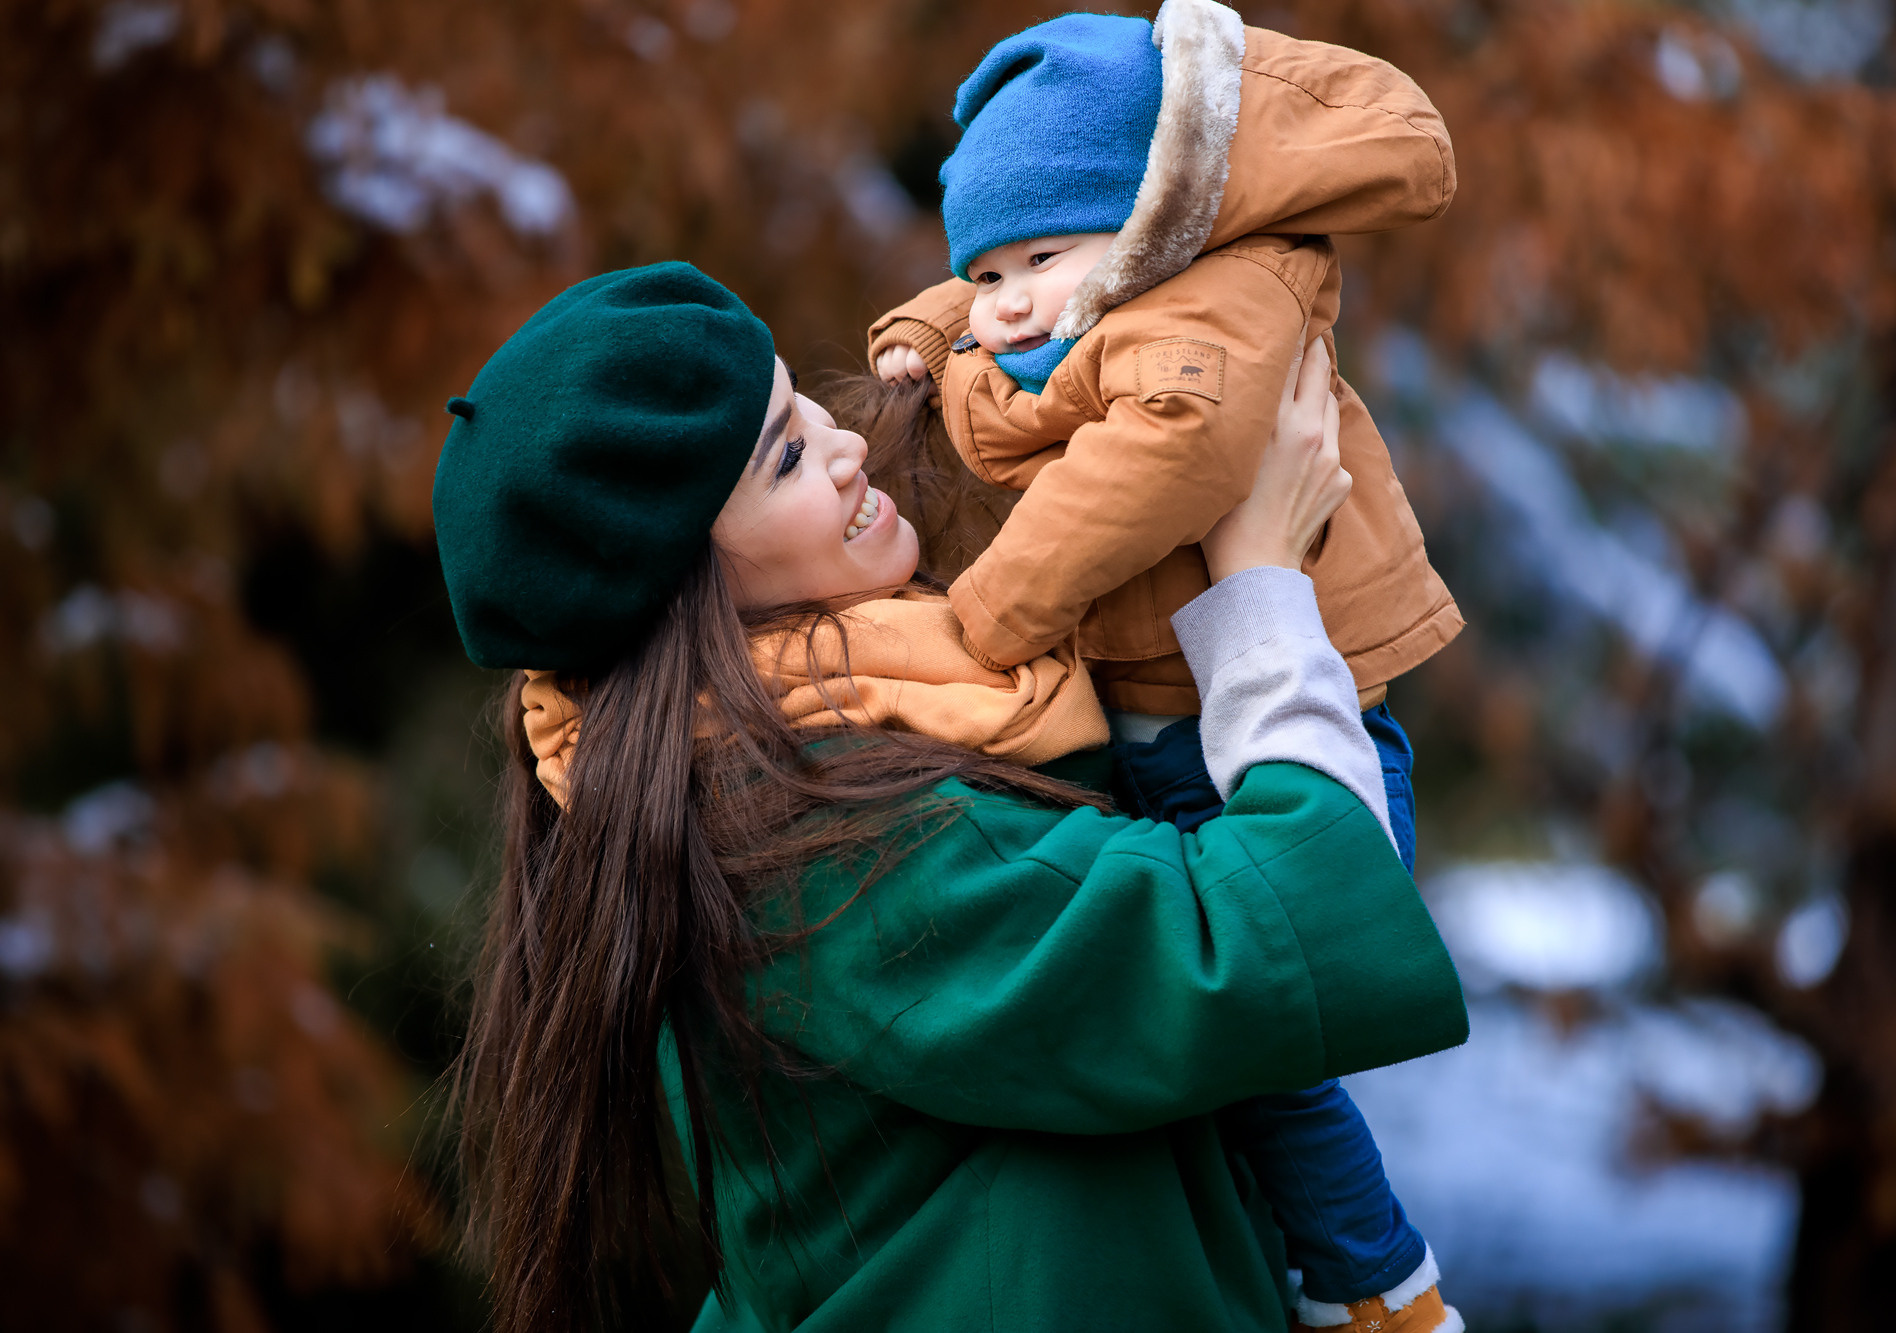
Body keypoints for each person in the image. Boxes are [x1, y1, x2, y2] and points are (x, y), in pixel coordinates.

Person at [433, 262, 1467, 1333]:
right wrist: (1259, 583)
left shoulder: (868, 711)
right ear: (681, 597)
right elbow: (1259, 941)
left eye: (801, 408)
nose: (844, 448)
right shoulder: (804, 844)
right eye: (784, 458)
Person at [869, 4, 1462, 1325]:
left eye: (1042, 258)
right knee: (1202, 1050)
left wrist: (992, 618)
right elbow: (995, 279)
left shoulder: (1218, 305)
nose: (1010, 297)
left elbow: (1172, 451)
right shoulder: (1081, 292)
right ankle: (1280, 1266)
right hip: (1164, 721)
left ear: (1144, 227)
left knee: (1270, 1048)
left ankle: (1380, 1289)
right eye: (989, 266)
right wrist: (919, 328)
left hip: (1278, 714)